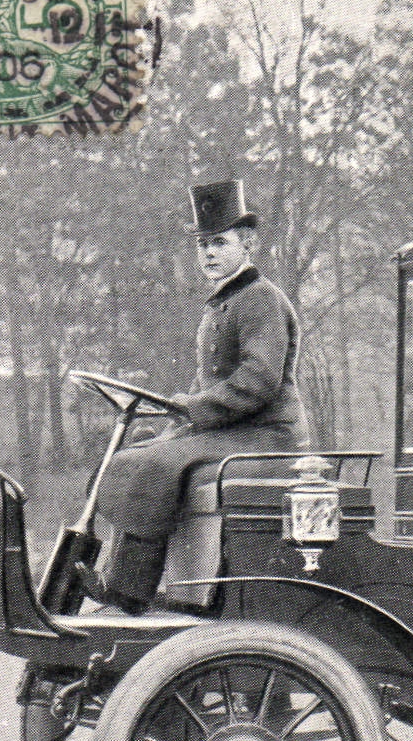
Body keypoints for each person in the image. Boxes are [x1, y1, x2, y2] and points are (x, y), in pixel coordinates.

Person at [87, 179, 308, 612]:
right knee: (138, 448)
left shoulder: (261, 300)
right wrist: (177, 412)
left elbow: (258, 382)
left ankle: (131, 592)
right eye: (202, 244)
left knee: (150, 463)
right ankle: (122, 578)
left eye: (218, 243)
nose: (207, 252)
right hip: (233, 429)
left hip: (266, 436)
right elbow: (205, 379)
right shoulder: (224, 302)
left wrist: (192, 410)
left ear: (248, 245)